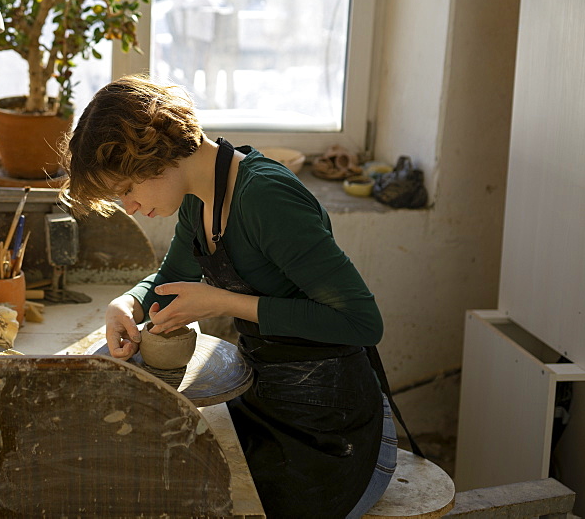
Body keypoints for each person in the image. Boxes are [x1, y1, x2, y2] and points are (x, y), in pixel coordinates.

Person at [60, 75, 397, 519]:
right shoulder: (199, 198)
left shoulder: (265, 197)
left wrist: (222, 302)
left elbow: (363, 322)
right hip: (267, 397)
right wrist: (129, 303)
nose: (130, 207)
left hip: (331, 428)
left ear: (156, 155)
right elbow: (171, 277)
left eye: (126, 190)